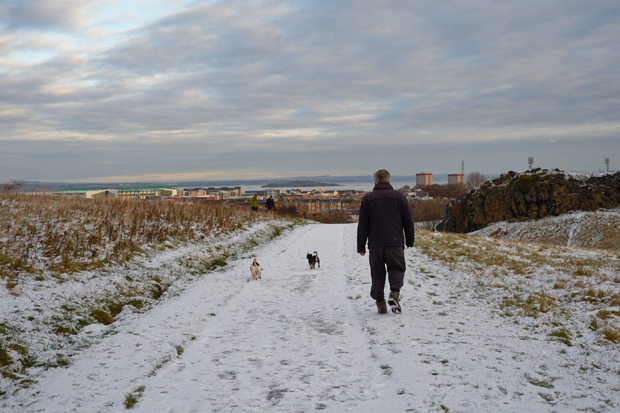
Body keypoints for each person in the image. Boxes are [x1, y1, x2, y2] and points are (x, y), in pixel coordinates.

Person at [357, 169, 415, 314]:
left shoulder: (367, 199)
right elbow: (408, 221)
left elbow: (363, 225)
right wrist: (410, 240)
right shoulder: (400, 197)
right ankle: (394, 293)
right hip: (395, 242)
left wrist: (361, 247)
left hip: (375, 244)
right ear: (389, 180)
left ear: (375, 182)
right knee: (396, 267)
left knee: (377, 272)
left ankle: (380, 303)